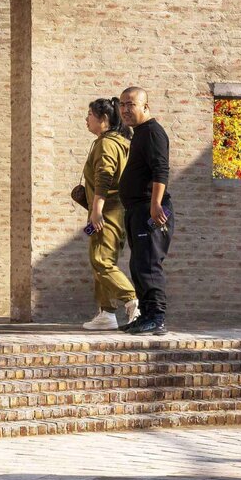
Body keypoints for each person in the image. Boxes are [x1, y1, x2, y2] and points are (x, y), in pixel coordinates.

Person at [76, 96, 139, 331]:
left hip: (108, 210)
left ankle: (132, 299)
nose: (86, 119)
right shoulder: (116, 142)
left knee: (101, 260)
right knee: (102, 260)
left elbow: (105, 177)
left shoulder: (107, 144)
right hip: (113, 209)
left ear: (103, 118)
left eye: (90, 115)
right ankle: (106, 313)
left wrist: (97, 210)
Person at [117, 87, 172, 336]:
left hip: (150, 210)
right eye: (122, 104)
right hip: (137, 210)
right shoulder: (139, 133)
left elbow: (161, 170)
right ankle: (146, 316)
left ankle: (157, 318)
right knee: (138, 265)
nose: (125, 109)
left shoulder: (152, 132)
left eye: (131, 104)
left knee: (149, 264)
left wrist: (155, 204)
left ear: (145, 107)